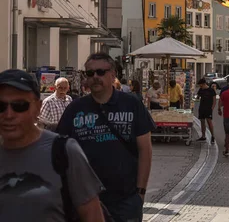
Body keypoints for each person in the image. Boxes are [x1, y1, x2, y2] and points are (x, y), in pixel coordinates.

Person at [58, 52, 155, 222]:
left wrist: (140, 192)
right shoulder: (75, 108)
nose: (95, 77)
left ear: (113, 75)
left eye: (100, 72)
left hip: (125, 199)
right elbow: (60, 150)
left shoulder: (131, 104)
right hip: (85, 200)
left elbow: (145, 150)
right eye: (90, 73)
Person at [0, 69, 105, 222]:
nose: (9, 115)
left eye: (20, 106)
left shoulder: (64, 151)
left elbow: (93, 215)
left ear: (37, 107)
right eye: (0, 106)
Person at [196, 78, 216, 144]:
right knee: (202, 122)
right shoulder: (201, 90)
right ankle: (203, 135)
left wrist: (212, 108)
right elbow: (198, 97)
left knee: (209, 122)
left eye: (201, 85)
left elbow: (214, 100)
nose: (200, 87)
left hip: (208, 108)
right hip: (202, 107)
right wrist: (197, 96)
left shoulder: (211, 90)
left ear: (204, 84)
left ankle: (212, 136)